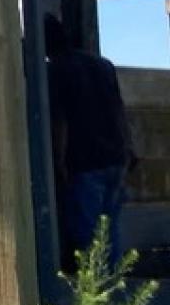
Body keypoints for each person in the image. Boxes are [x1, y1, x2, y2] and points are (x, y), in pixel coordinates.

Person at [44, 15, 134, 271]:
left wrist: (59, 160)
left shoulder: (57, 70)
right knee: (110, 229)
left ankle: (91, 292)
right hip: (116, 156)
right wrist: (128, 148)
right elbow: (119, 109)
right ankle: (113, 287)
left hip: (85, 161)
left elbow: (60, 120)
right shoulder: (103, 65)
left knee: (86, 233)